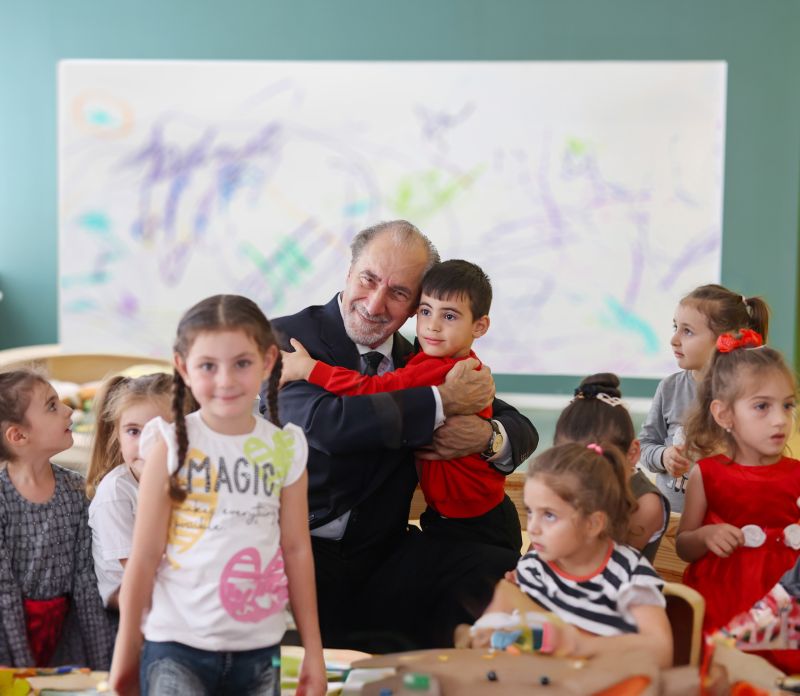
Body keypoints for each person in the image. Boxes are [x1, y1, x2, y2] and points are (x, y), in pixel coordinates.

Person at [263, 220, 538, 650]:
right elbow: (326, 424)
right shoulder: (288, 340)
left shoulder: (421, 355)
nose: (375, 304)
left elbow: (520, 427)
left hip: (381, 555)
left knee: (490, 568)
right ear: (349, 270)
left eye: (398, 292)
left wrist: (487, 437)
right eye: (368, 279)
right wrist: (442, 402)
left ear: (414, 306)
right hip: (296, 546)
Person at [110, 295, 326, 696]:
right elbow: (143, 555)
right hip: (175, 648)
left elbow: (297, 550)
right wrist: (125, 649)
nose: (225, 380)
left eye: (242, 363)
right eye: (208, 366)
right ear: (183, 367)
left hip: (260, 652)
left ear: (267, 362)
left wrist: (314, 651)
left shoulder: (286, 448)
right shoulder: (170, 446)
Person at [281, 259, 521, 553]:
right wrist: (443, 400)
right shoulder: (427, 362)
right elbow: (332, 425)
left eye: (449, 316)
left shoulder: (440, 369)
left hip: (473, 528)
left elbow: (370, 389)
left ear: (479, 326)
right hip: (446, 520)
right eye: (425, 311)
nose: (432, 325)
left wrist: (309, 369)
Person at [469, 443, 672, 668]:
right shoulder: (532, 567)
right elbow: (498, 629)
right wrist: (487, 630)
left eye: (549, 515)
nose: (533, 528)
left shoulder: (630, 576)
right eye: (530, 511)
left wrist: (582, 645)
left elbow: (660, 649)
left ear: (593, 524)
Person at [676, 329, 799, 643]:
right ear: (724, 414)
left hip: (785, 604)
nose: (780, 420)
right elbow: (684, 546)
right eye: (762, 406)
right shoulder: (707, 474)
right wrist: (706, 535)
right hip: (725, 604)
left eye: (787, 405)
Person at [0, 370, 112, 668]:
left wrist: (103, 666)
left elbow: (85, 581)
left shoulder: (76, 490)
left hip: (65, 634)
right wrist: (23, 667)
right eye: (52, 405)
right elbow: (4, 590)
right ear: (18, 435)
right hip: (8, 639)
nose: (69, 410)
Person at [638, 284, 770, 512]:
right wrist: (663, 456)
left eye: (687, 331)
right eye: (675, 327)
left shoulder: (749, 393)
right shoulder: (669, 388)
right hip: (671, 525)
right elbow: (645, 445)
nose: (674, 339)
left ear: (725, 340)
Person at [554, 373, 669, 562]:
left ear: (632, 453)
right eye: (568, 462)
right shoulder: (560, 483)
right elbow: (537, 554)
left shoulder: (645, 503)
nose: (582, 473)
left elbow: (602, 569)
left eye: (597, 460)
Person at [86, 372, 173, 613]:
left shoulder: (189, 478)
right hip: (125, 590)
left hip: (170, 579)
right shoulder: (116, 492)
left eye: (160, 430)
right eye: (134, 431)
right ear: (117, 434)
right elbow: (138, 570)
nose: (147, 443)